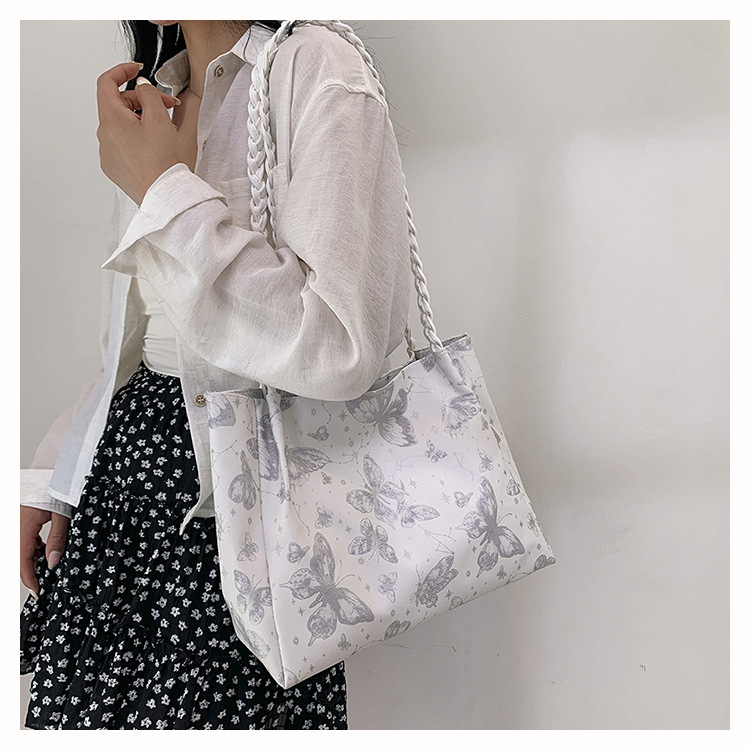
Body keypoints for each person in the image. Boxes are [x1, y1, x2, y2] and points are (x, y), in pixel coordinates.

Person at [20, 19, 411, 730]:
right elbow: (134, 340)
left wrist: (163, 187)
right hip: (123, 486)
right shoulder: (157, 96)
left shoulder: (316, 68)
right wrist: (57, 473)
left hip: (245, 503)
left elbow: (338, 344)